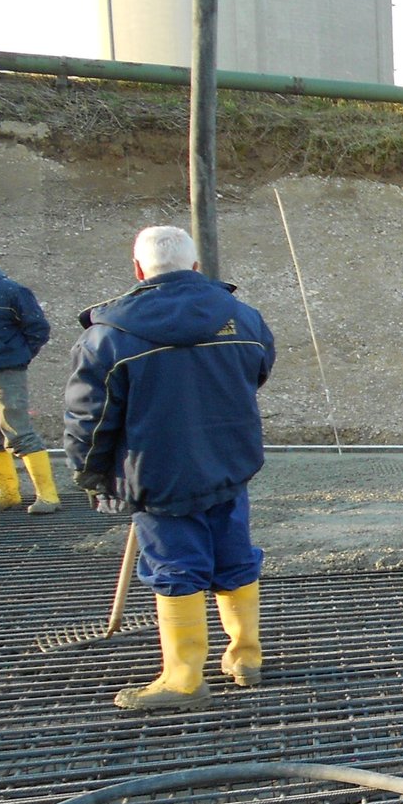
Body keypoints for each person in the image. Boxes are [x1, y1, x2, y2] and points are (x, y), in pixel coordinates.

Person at [65, 226, 276, 712]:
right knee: (234, 556)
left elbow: (89, 419)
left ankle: (184, 680)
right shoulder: (244, 319)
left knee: (176, 568)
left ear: (139, 270)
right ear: (196, 267)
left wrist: (90, 473)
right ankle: (246, 658)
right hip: (229, 464)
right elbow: (257, 373)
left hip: (158, 474)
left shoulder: (106, 338)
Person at [0, 254, 61, 514]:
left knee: (19, 433)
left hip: (5, 374)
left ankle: (48, 496)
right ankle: (8, 493)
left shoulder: (11, 292)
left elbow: (38, 329)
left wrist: (17, 357)